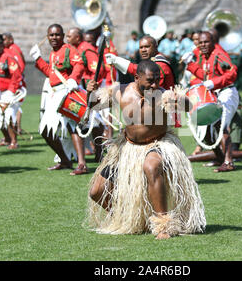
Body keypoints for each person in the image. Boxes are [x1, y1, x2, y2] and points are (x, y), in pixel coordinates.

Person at [87, 59, 206, 239]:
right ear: (137, 78)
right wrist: (92, 93)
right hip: (128, 148)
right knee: (97, 191)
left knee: (151, 166)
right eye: (150, 80)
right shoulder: (120, 91)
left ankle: (163, 224)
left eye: (158, 79)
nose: (155, 84)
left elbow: (189, 106)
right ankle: (129, 217)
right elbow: (93, 105)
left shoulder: (163, 95)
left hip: (159, 145)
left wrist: (180, 99)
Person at [30, 24, 88, 172]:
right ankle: (65, 160)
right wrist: (38, 59)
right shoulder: (53, 53)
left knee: (72, 126)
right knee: (45, 130)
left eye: (57, 35)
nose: (54, 38)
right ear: (47, 37)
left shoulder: (68, 49)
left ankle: (82, 163)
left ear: (62, 36)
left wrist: (74, 79)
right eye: (51, 35)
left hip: (67, 91)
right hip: (54, 94)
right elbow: (51, 73)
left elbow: (79, 64)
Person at [182, 31, 239, 172]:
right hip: (215, 93)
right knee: (209, 128)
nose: (202, 45)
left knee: (222, 127)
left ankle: (229, 162)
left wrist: (214, 82)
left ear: (213, 42)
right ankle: (220, 158)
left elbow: (232, 73)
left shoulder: (219, 54)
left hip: (226, 92)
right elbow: (204, 75)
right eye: (200, 42)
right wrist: (190, 64)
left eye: (206, 42)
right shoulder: (204, 56)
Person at [66, 27, 107, 165]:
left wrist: (90, 85)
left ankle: (98, 151)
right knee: (85, 120)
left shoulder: (86, 49)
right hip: (80, 87)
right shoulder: (75, 49)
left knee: (94, 120)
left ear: (77, 38)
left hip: (88, 89)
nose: (67, 39)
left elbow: (98, 69)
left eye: (69, 36)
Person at [105, 35, 175, 91]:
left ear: (156, 47)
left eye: (147, 47)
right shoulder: (153, 61)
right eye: (141, 47)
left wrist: (117, 60)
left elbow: (141, 71)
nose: (143, 50)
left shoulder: (160, 64)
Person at [0, 35, 22, 150]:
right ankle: (7, 138)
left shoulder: (8, 58)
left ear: (2, 46)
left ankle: (14, 141)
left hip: (12, 91)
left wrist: (10, 94)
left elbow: (16, 77)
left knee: (9, 115)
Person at [3, 32, 26, 135]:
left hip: (17, 82)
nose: (3, 42)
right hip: (12, 82)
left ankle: (16, 129)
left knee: (15, 105)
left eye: (5, 40)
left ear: (10, 40)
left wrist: (16, 77)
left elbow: (20, 64)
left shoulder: (13, 49)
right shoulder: (9, 49)